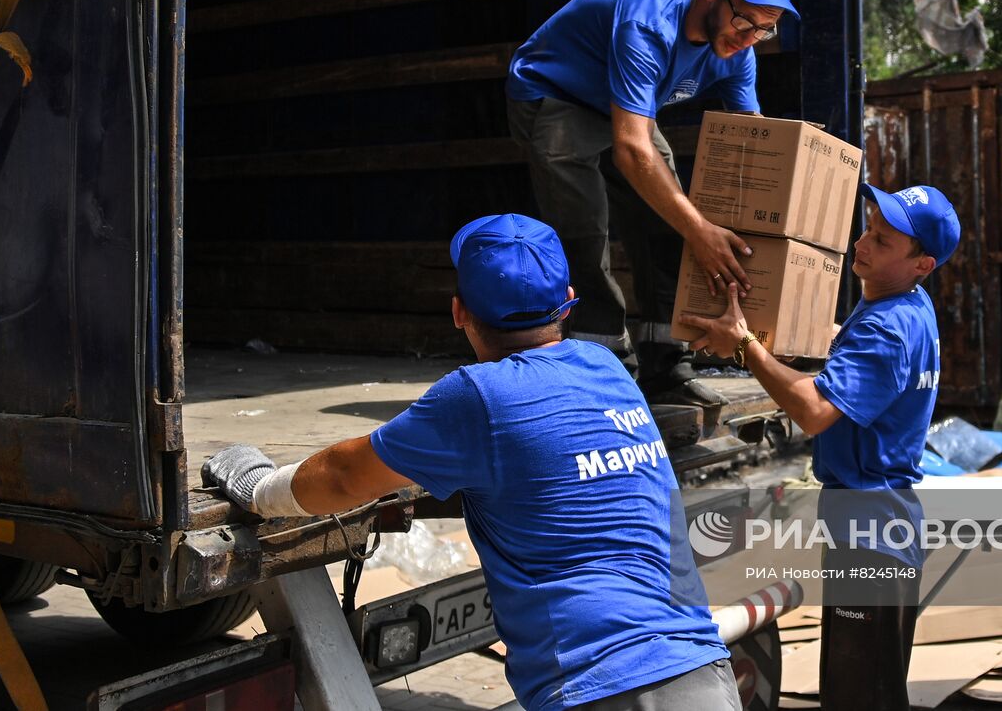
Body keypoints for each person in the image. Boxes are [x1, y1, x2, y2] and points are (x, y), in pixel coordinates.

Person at [202, 214, 738, 711]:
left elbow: (345, 476)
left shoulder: (479, 397)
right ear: (570, 301)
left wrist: (258, 487)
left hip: (600, 687)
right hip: (702, 671)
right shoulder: (607, 368)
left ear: (459, 312)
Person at [682, 182, 961, 711]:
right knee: (861, 689)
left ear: (921, 264)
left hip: (872, 535)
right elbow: (851, 347)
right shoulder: (906, 304)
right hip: (877, 525)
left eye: (882, 242)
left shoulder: (889, 328)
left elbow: (813, 412)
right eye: (869, 228)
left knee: (860, 697)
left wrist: (743, 347)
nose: (863, 243)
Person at [505, 0, 798, 405]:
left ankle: (666, 371)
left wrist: (777, 231)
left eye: (766, 29)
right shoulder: (649, 22)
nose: (749, 37)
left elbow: (754, 145)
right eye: (744, 21)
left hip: (621, 109)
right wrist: (701, 229)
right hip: (556, 95)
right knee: (585, 233)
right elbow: (631, 150)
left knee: (668, 224)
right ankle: (606, 374)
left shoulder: (741, 48)